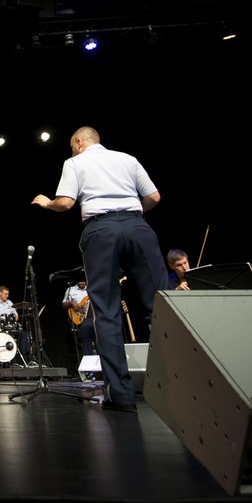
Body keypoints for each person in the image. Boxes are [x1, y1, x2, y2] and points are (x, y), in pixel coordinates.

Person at [31, 126, 168, 412]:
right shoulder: (128, 159)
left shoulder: (75, 162)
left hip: (101, 230)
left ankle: (121, 396)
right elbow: (154, 197)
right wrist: (132, 216)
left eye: (72, 146)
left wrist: (47, 203)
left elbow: (66, 202)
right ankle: (181, 389)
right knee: (161, 308)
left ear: (79, 143)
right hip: (137, 226)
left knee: (106, 311)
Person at [0, 286, 31, 365]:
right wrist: (1, 317)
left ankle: (25, 357)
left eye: (8, 294)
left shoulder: (10, 303)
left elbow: (16, 317)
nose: (7, 296)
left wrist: (14, 316)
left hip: (10, 325)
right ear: (0, 293)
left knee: (24, 334)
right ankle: (1, 360)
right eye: (5, 294)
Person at [63, 280, 95, 356]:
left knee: (100, 342)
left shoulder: (91, 289)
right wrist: (71, 303)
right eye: (80, 281)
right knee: (86, 345)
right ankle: (89, 365)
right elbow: (64, 305)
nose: (82, 282)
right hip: (82, 319)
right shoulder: (71, 290)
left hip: (95, 317)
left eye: (83, 281)